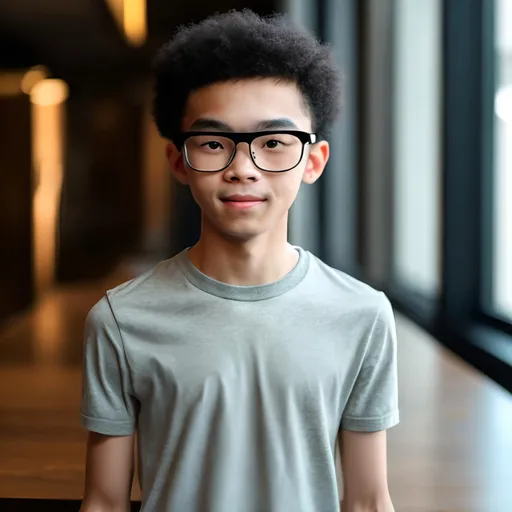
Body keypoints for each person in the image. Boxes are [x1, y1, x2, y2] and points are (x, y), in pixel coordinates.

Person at [79, 9, 399, 512]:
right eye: (213, 143)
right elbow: (103, 501)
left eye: (273, 143)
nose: (243, 169)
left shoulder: (362, 316)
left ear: (313, 162)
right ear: (179, 162)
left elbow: (368, 501)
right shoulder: (121, 320)